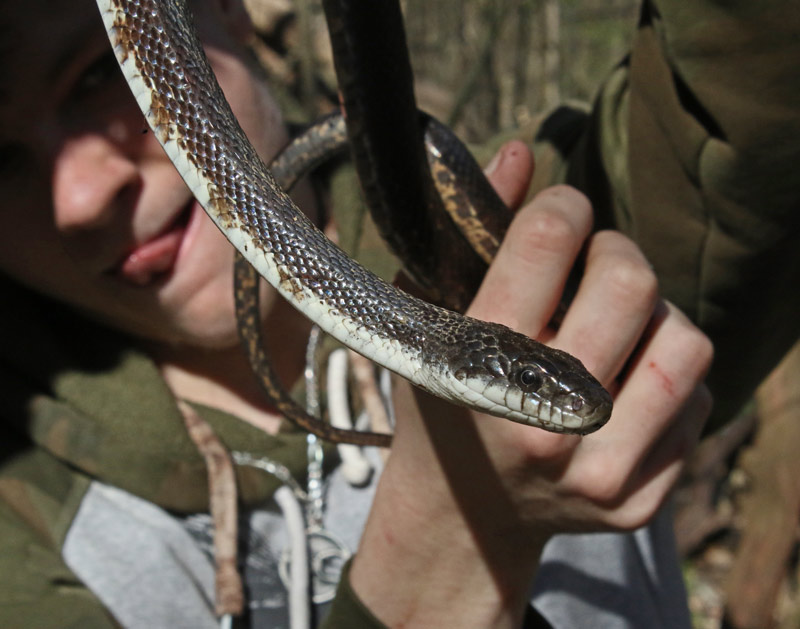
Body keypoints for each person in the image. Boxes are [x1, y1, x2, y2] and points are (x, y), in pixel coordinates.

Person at [7, 0, 792, 627]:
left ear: (226, 9)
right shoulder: (23, 520)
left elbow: (751, 109)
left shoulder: (536, 248)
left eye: (92, 76)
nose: (80, 198)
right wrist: (451, 532)